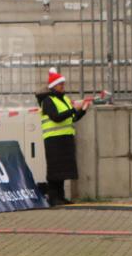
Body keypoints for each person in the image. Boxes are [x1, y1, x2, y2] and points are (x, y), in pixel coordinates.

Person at [35, 68, 92, 206]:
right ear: (53, 86)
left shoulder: (64, 99)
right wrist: (74, 109)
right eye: (60, 84)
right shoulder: (48, 101)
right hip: (53, 140)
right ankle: (54, 197)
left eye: (63, 84)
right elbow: (56, 117)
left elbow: (71, 118)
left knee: (63, 171)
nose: (63, 86)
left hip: (65, 139)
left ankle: (61, 197)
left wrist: (83, 110)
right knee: (55, 170)